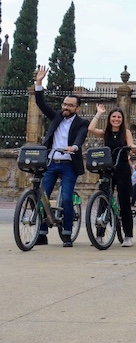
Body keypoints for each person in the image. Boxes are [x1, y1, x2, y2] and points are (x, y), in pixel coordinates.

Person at [33, 65, 89, 247]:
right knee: (42, 196)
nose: (66, 107)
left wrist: (74, 146)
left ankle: (66, 233)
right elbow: (41, 104)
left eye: (70, 105)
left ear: (77, 109)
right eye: (64, 104)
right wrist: (39, 82)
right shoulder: (56, 116)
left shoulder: (82, 122)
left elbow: (81, 137)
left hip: (68, 165)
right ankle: (41, 232)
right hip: (51, 162)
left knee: (66, 198)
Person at [88, 104, 136, 247]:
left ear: (122, 119)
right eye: (114, 117)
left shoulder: (126, 132)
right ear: (110, 118)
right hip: (107, 168)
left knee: (124, 202)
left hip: (122, 167)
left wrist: (132, 149)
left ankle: (128, 235)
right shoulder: (106, 133)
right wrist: (99, 113)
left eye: (119, 117)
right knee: (103, 200)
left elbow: (131, 145)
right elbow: (90, 129)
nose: (116, 119)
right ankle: (99, 235)